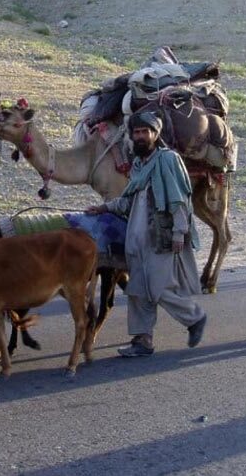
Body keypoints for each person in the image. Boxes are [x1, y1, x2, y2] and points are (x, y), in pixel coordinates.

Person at [86, 111, 207, 357]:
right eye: (137, 132)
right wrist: (104, 207)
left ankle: (194, 318)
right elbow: (129, 201)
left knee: (159, 288)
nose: (140, 136)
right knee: (138, 290)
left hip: (161, 236)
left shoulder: (167, 160)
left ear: (155, 133)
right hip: (136, 238)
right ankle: (143, 340)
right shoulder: (139, 165)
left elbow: (179, 199)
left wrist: (179, 232)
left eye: (145, 132)